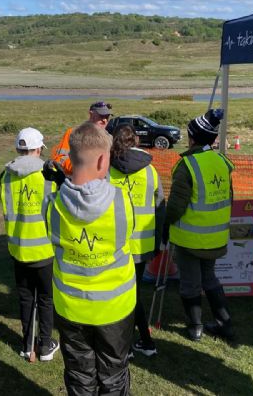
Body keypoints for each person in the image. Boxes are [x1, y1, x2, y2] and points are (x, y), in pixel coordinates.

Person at [45, 122, 136, 395]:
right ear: (101, 161)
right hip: (115, 307)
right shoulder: (121, 201)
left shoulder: (52, 206)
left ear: (72, 158)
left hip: (71, 307)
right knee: (114, 374)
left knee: (79, 375)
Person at [163, 109, 235, 342]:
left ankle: (195, 327)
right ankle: (224, 323)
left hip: (189, 239)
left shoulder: (187, 165)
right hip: (216, 237)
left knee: (190, 283)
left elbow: (175, 207)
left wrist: (165, 223)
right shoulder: (222, 161)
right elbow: (229, 197)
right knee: (210, 279)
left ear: (192, 137)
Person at [0, 127, 59, 361]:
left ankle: (27, 344)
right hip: (44, 249)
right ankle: (44, 345)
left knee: (25, 298)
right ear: (38, 149)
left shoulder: (6, 175)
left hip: (19, 248)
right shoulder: (48, 175)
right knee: (45, 298)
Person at [109, 124, 165, 357]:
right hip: (142, 244)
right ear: (137, 142)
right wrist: (159, 242)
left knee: (121, 295)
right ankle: (144, 342)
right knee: (133, 293)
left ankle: (134, 342)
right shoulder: (150, 172)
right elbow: (160, 210)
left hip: (114, 244)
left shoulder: (106, 171)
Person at [51, 101, 113, 176]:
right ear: (91, 114)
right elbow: (59, 159)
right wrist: (80, 167)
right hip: (75, 179)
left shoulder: (109, 137)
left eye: (107, 117)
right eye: (101, 116)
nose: (105, 120)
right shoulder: (73, 133)